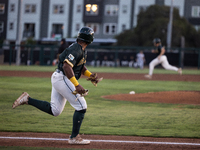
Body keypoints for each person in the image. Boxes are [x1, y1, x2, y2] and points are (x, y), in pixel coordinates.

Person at [12, 27, 100, 145]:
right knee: (81, 106)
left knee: (55, 110)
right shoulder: (76, 49)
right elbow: (66, 67)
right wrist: (77, 85)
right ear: (90, 39)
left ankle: (27, 99)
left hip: (59, 77)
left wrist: (90, 75)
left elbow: (80, 67)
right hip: (62, 78)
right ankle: (74, 138)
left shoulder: (80, 49)